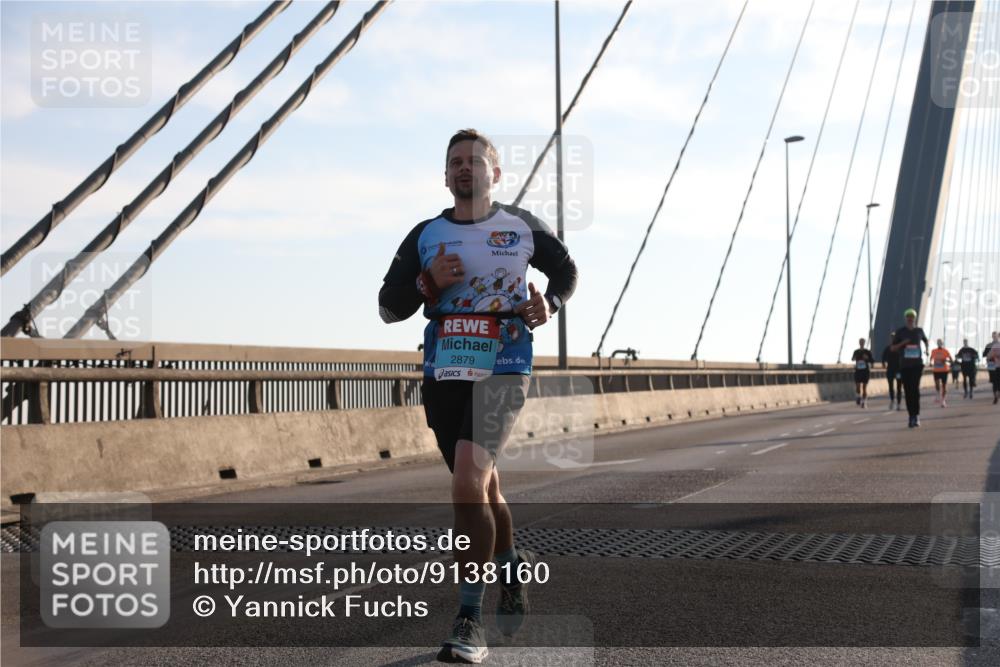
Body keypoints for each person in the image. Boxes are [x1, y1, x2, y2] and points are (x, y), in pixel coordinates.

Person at [379, 129, 578, 664]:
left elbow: (566, 271)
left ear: (496, 174)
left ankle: (470, 619)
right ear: (446, 176)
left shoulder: (520, 227)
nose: (464, 168)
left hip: (505, 362)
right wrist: (425, 285)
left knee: (468, 478)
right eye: (455, 163)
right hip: (445, 368)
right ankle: (511, 569)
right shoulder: (425, 235)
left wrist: (550, 304)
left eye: (474, 161)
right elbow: (388, 307)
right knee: (482, 488)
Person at [889, 308, 929, 427]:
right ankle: (911, 416)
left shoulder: (919, 331)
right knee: (907, 391)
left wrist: (927, 350)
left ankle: (916, 416)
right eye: (908, 316)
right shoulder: (900, 332)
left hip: (917, 365)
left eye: (912, 316)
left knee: (915, 390)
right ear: (905, 318)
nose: (910, 318)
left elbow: (926, 340)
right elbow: (892, 348)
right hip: (905, 366)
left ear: (915, 318)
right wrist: (903, 343)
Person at [850, 338, 875, 408]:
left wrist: (867, 358)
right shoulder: (856, 351)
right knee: (858, 386)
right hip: (858, 371)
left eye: (862, 342)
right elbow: (852, 358)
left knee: (864, 387)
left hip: (865, 371)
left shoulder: (867, 352)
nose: (861, 343)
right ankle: (858, 396)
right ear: (859, 343)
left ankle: (864, 402)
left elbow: (872, 361)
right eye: (860, 342)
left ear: (864, 343)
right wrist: (854, 358)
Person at [881, 331, 902, 411]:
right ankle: (892, 400)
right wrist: (883, 364)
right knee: (890, 386)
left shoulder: (900, 348)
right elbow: (883, 357)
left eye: (894, 337)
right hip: (890, 370)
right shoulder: (888, 348)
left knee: (899, 386)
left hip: (898, 370)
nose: (893, 338)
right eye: (892, 337)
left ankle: (899, 403)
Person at [929, 339, 953, 407]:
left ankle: (943, 401)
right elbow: (931, 358)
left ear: (942, 343)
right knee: (937, 384)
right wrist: (930, 363)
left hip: (944, 370)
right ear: (937, 343)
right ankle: (938, 394)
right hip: (936, 370)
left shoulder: (946, 351)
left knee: (944, 386)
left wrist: (945, 361)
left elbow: (951, 360)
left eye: (940, 343)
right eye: (938, 342)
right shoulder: (934, 351)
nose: (939, 344)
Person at [986, 332, 1000, 405]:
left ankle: (995, 396)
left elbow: (988, 356)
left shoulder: (995, 346)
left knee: (995, 382)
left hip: (996, 367)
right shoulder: (994, 345)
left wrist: (991, 357)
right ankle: (997, 394)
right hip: (996, 367)